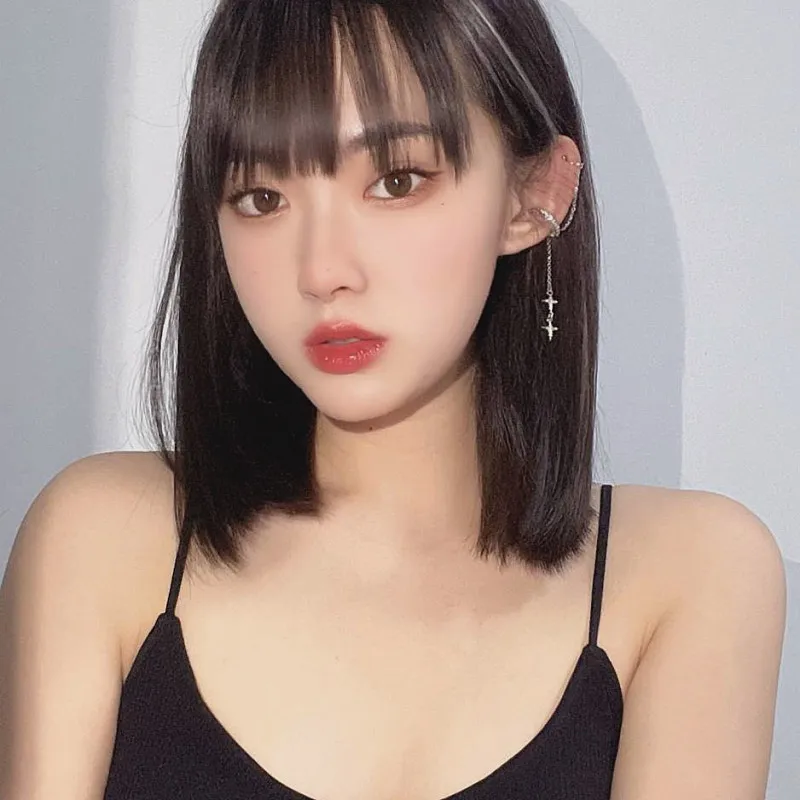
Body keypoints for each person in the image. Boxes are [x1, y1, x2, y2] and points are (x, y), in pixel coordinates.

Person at [0, 0, 787, 798]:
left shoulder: (689, 575)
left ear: (535, 194)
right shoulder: (105, 538)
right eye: (261, 198)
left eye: (396, 181)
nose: (322, 271)